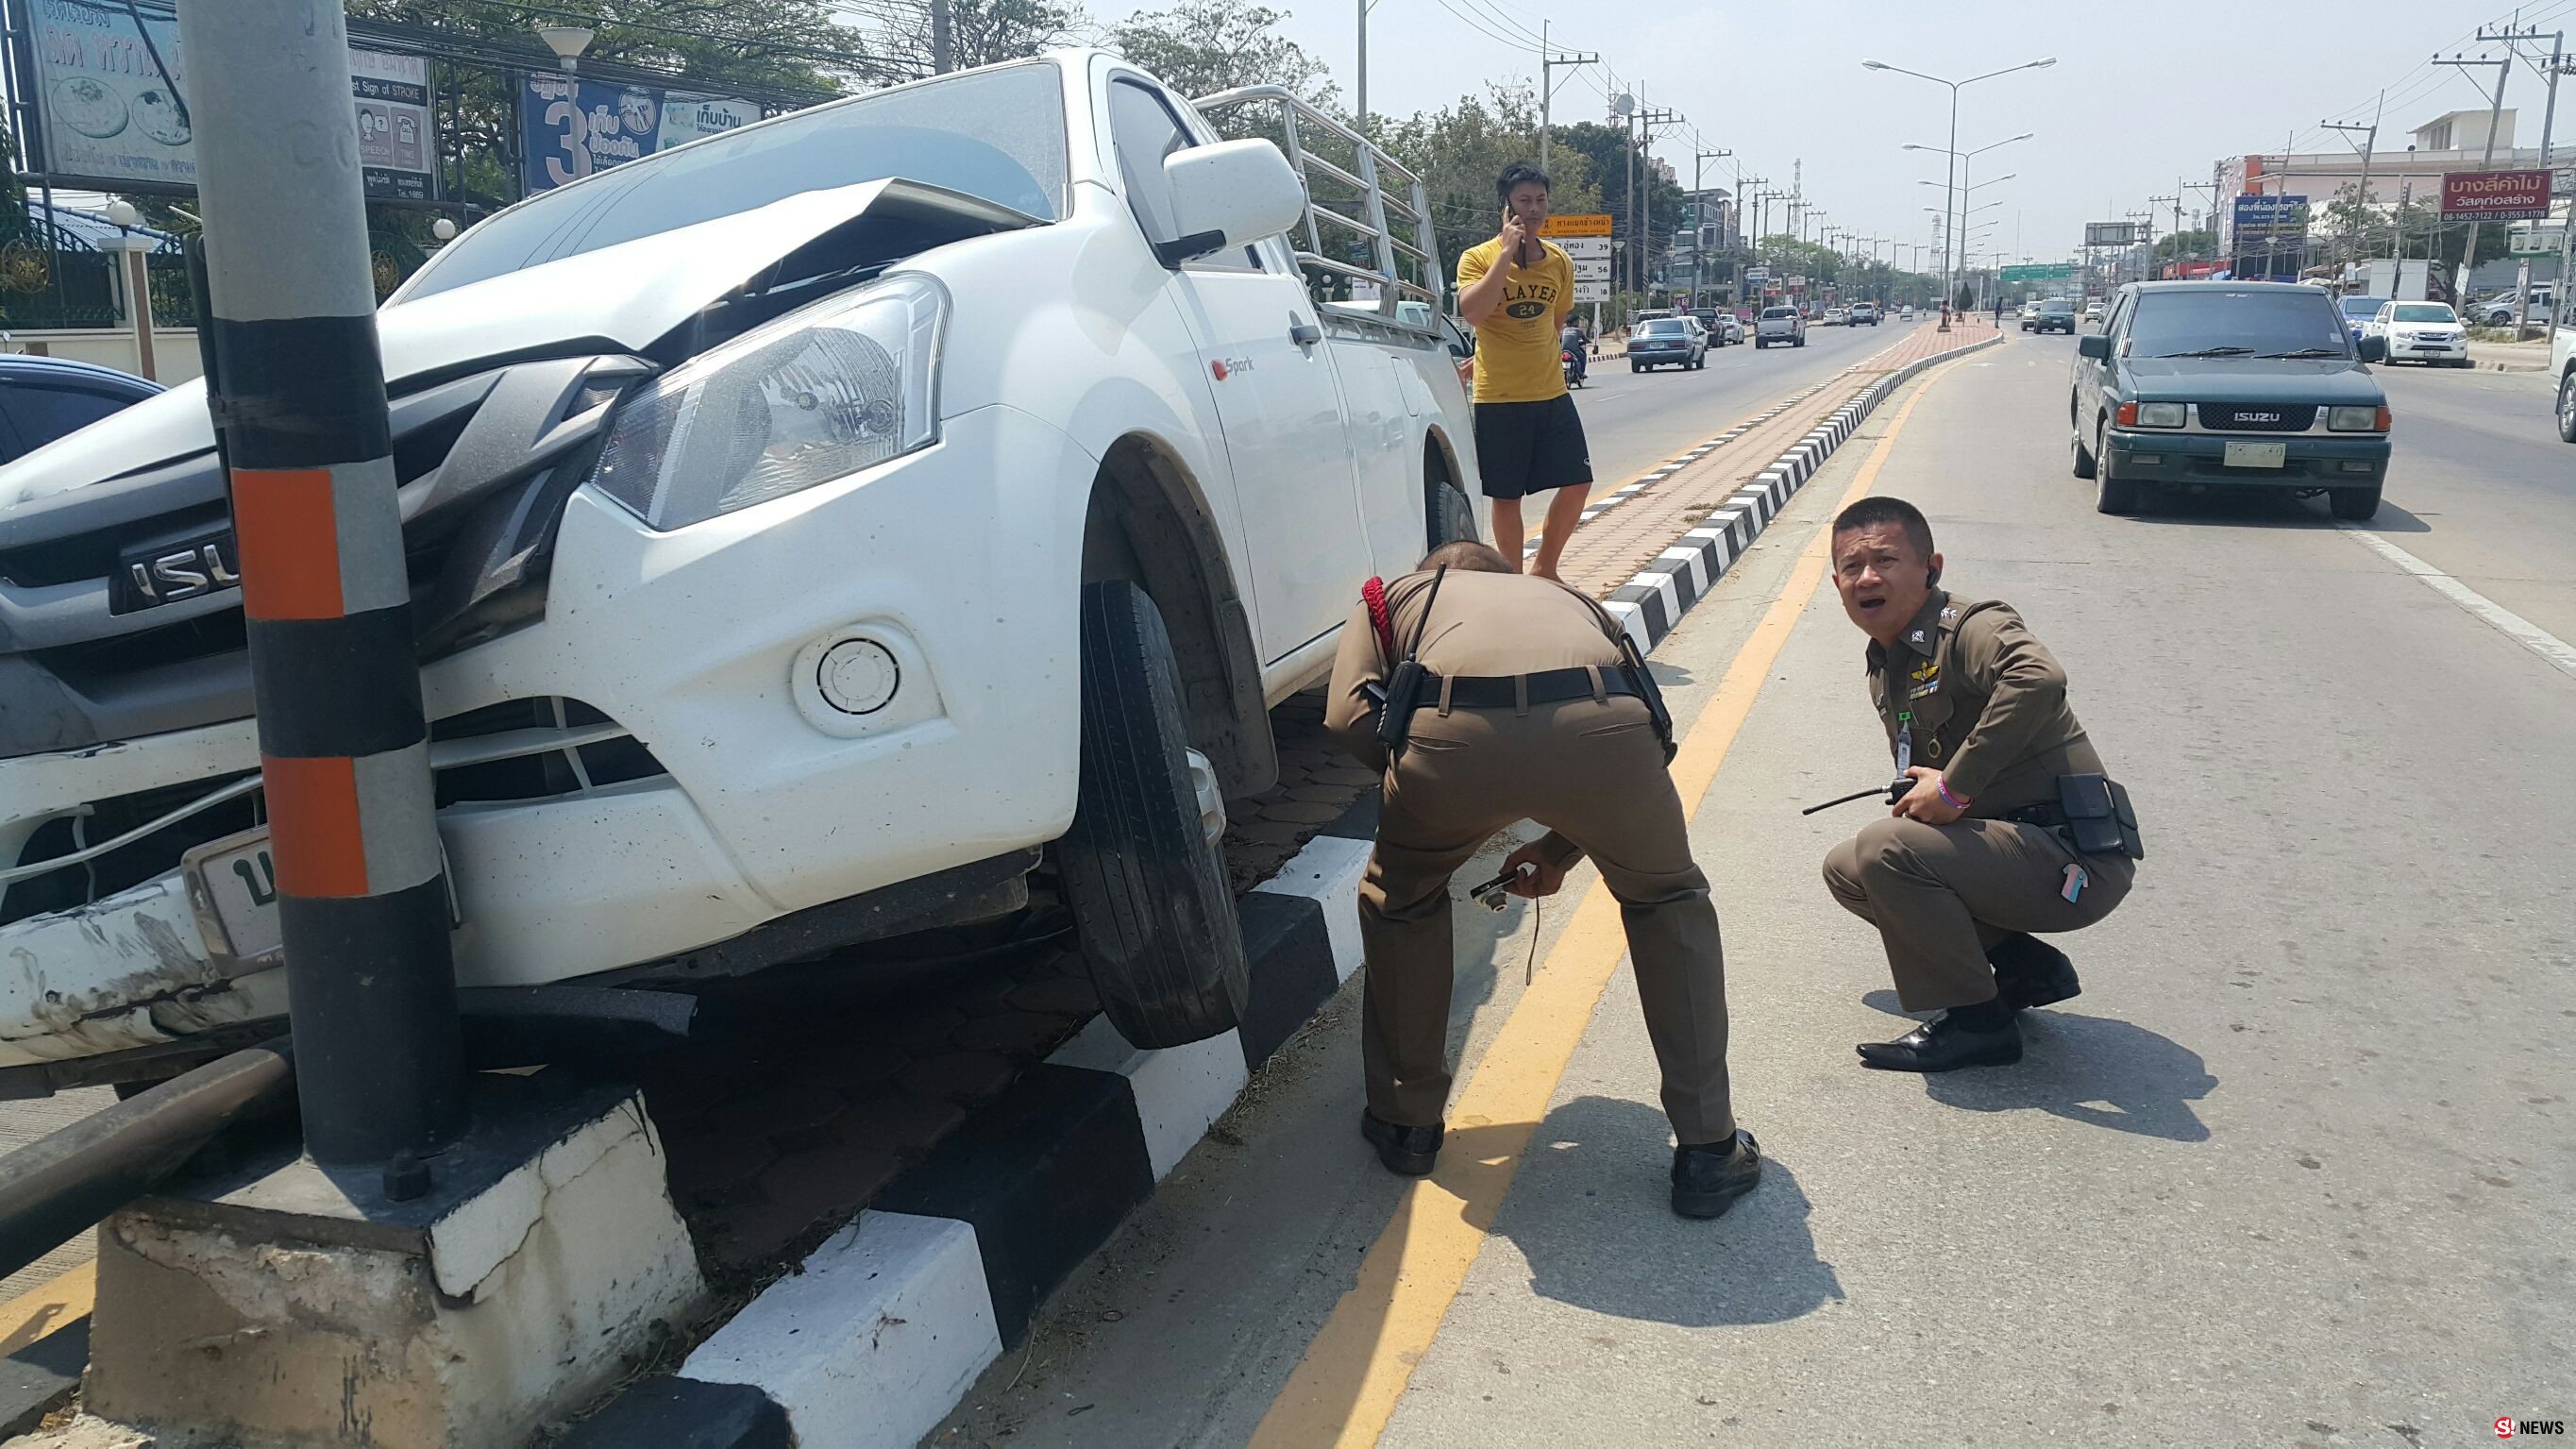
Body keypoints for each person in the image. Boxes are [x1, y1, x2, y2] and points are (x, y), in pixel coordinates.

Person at [1322, 540, 1759, 1220]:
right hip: (1603, 726)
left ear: (1434, 569)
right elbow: (1654, 731)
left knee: (1402, 903)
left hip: (1447, 733)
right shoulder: (1567, 597)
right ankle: (1708, 1147)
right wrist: (1561, 842)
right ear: (1505, 577)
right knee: (1667, 898)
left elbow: (1346, 716)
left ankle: (1406, 1123)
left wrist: (1424, 781)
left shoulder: (1393, 594)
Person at [1818, 497, 2141, 1071]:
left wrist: (1954, 789)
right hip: (2014, 850)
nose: (1867, 577)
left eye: (1887, 560)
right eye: (1851, 567)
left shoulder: (1970, 627)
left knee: (1884, 851)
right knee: (1849, 868)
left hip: (2073, 858)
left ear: (1931, 568)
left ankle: (1980, 1025)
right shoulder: (1889, 660)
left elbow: (2039, 677)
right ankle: (2023, 967)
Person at [1455, 164, 1591, 581]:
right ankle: (1513, 580)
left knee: (1578, 483)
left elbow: (1555, 322)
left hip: (1551, 393)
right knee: (1507, 496)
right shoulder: (1477, 259)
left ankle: (1545, 567)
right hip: (1500, 399)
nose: (1533, 210)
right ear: (1506, 206)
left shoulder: (1560, 262)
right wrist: (1505, 255)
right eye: (1524, 201)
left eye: (1540, 200)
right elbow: (1474, 312)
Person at [1558, 316, 1587, 384]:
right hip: (1575, 350)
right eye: (1577, 321)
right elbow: (1585, 340)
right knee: (1583, 357)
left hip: (1563, 350)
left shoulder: (1564, 330)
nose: (1578, 323)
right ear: (1573, 322)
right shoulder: (1579, 330)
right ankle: (1581, 373)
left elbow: (1560, 341)